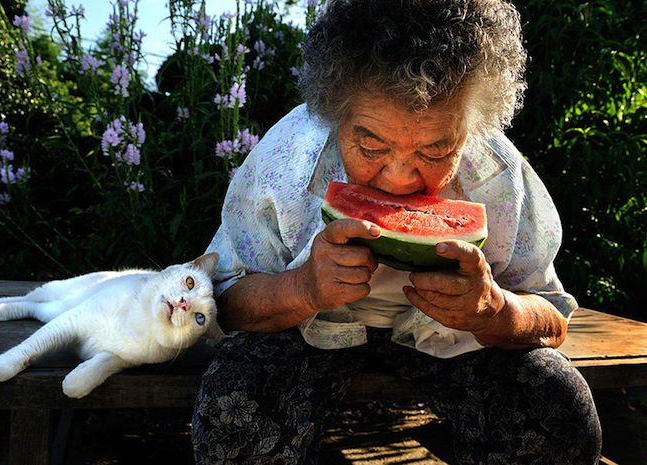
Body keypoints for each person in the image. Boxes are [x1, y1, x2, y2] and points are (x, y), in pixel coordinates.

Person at [192, 0, 602, 463]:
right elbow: (223, 303)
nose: (399, 178)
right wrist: (302, 288)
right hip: (303, 331)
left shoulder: (500, 177)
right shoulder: (286, 162)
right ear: (332, 113)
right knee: (234, 416)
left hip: (455, 342)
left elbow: (551, 318)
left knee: (556, 410)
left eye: (435, 149)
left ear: (472, 130)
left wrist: (494, 311)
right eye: (370, 144)